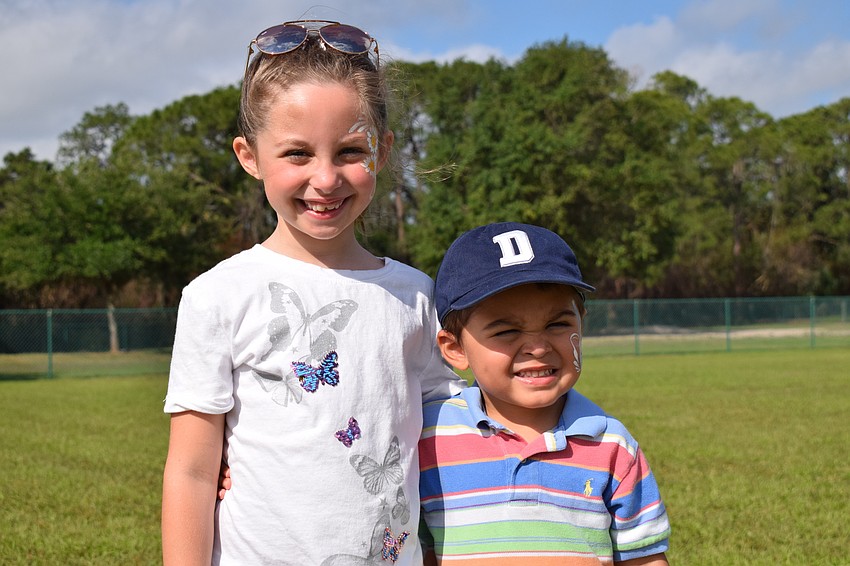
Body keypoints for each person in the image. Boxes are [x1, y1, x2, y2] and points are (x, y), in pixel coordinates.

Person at [161, 19, 464, 565]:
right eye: (297, 154)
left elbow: (451, 439)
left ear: (383, 150)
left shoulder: (417, 296)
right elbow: (191, 470)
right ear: (249, 156)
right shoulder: (216, 296)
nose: (325, 179)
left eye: (350, 151)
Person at [419, 222, 671, 565]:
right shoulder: (429, 439)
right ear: (455, 348)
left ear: (582, 322)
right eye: (506, 331)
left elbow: (643, 558)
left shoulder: (611, 444)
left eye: (558, 324)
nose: (537, 347)